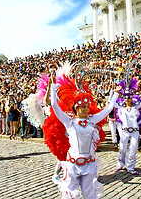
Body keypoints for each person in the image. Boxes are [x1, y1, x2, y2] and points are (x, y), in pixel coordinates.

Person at [48, 71, 121, 199]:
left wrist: (115, 94)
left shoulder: (92, 120)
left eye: (88, 106)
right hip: (72, 166)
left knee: (90, 195)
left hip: (89, 164)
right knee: (69, 195)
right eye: (83, 107)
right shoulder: (69, 122)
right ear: (76, 108)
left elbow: (108, 109)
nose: (87, 109)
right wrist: (53, 87)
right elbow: (54, 105)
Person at [115, 78, 141, 175]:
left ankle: (130, 167)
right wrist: (114, 92)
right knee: (122, 149)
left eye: (129, 97)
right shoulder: (121, 106)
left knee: (133, 149)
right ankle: (120, 164)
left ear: (131, 98)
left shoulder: (136, 106)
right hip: (124, 131)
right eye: (126, 97)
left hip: (135, 131)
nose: (127, 99)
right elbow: (112, 103)